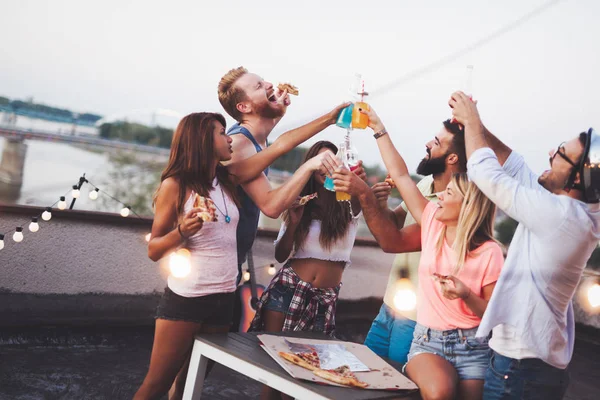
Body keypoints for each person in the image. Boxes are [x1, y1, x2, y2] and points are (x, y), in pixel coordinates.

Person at [133, 112, 339, 400]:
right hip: (187, 300)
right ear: (203, 140)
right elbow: (154, 249)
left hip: (224, 299)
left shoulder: (229, 177)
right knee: (156, 383)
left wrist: (330, 118)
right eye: (221, 133)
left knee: (190, 381)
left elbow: (280, 146)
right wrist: (182, 231)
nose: (230, 138)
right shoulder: (176, 185)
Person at [334, 107, 504, 400]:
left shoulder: (489, 251)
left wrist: (465, 293)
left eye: (450, 193)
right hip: (426, 336)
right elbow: (399, 176)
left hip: (472, 345)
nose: (440, 198)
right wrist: (378, 126)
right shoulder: (432, 218)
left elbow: (492, 315)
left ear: (467, 206)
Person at [449, 91, 600, 400]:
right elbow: (513, 164)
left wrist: (472, 120)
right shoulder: (571, 211)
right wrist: (472, 125)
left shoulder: (561, 216)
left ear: (576, 179)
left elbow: (484, 172)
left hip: (518, 371)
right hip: (524, 367)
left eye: (560, 152)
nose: (550, 153)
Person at [249, 140, 364, 400]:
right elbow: (280, 254)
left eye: (332, 161)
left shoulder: (349, 204)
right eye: (320, 163)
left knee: (305, 376)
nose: (326, 168)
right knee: (274, 373)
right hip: (287, 290)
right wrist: (294, 222)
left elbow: (361, 199)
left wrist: (360, 183)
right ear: (310, 168)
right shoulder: (299, 201)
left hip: (324, 300)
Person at [218, 67, 349, 293]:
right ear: (244, 107)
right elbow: (271, 206)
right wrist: (310, 165)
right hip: (218, 261)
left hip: (230, 260)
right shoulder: (239, 143)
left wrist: (279, 110)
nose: (270, 84)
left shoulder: (256, 137)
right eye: (259, 86)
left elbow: (280, 140)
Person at [364, 119, 467, 364]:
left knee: (400, 383)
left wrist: (362, 195)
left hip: (417, 318)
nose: (428, 144)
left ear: (452, 158)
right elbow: (395, 222)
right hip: (388, 308)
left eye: (437, 142)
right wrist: (380, 206)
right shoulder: (424, 184)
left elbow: (393, 242)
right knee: (365, 370)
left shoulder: (453, 206)